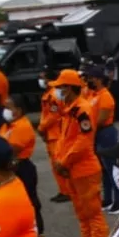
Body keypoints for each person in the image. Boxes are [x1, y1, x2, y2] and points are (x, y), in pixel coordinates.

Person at [51, 69, 109, 237]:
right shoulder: (70, 109)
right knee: (82, 214)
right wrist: (62, 162)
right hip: (72, 169)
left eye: (60, 87)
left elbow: (84, 141)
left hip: (84, 169)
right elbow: (65, 139)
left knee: (93, 214)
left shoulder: (81, 108)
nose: (57, 91)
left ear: (70, 88)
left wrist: (64, 161)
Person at [0, 93, 46, 237]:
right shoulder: (7, 126)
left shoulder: (23, 126)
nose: (5, 110)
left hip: (22, 167)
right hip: (10, 168)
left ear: (18, 110)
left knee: (31, 203)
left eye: (8, 107)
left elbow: (10, 149)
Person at [85, 64, 119, 214]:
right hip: (97, 133)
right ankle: (107, 199)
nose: (88, 81)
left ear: (98, 79)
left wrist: (88, 127)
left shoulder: (105, 96)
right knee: (103, 170)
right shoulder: (93, 95)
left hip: (105, 133)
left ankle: (118, 201)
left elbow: (101, 119)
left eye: (91, 78)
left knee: (111, 168)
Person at [38, 69, 71, 204]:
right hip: (51, 133)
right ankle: (64, 190)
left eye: (43, 77)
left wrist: (42, 127)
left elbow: (54, 115)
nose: (41, 80)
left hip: (55, 134)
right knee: (55, 164)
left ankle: (66, 191)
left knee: (58, 163)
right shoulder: (49, 95)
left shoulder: (53, 96)